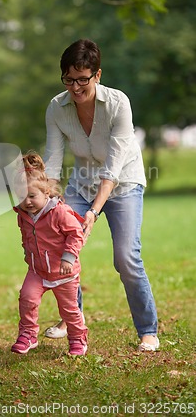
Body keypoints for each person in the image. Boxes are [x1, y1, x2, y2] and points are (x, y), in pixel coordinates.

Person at [43, 38, 159, 352]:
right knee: (60, 249)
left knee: (126, 258)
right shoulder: (57, 107)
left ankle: (148, 330)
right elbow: (53, 160)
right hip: (81, 184)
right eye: (69, 79)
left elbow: (113, 167)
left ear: (97, 75)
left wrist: (94, 212)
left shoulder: (118, 103)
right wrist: (47, 202)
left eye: (83, 79)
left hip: (122, 184)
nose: (76, 87)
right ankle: (71, 317)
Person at [11, 152, 88, 356]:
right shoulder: (23, 216)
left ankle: (77, 339)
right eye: (21, 197)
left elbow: (76, 233)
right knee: (27, 298)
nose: (26, 202)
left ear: (47, 193)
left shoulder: (60, 212)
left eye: (32, 196)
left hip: (63, 272)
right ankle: (28, 335)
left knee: (69, 310)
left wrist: (68, 257)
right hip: (38, 271)